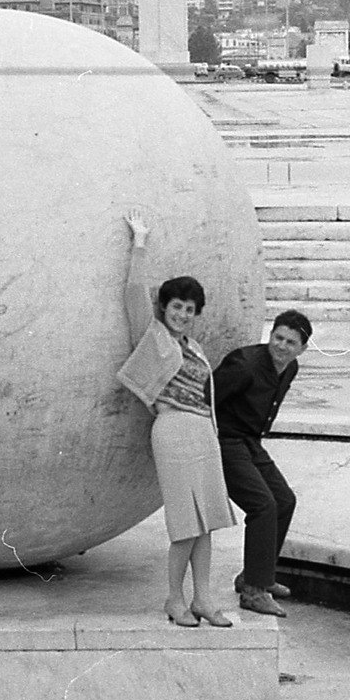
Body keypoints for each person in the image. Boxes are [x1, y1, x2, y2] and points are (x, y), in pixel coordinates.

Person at [116, 210, 235, 628]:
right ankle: (174, 599)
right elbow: (133, 291)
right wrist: (140, 242)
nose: (183, 313)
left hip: (202, 432)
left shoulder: (195, 347)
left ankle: (203, 599)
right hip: (173, 430)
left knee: (207, 524)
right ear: (164, 308)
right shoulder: (153, 339)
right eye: (177, 306)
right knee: (185, 524)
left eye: (190, 308)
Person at [211, 310, 312, 617]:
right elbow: (206, 397)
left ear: (302, 349)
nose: (281, 346)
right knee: (263, 505)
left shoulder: (289, 368)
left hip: (251, 441)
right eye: (277, 338)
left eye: (290, 342)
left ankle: (255, 576)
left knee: (284, 500)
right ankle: (254, 593)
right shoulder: (245, 365)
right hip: (225, 442)